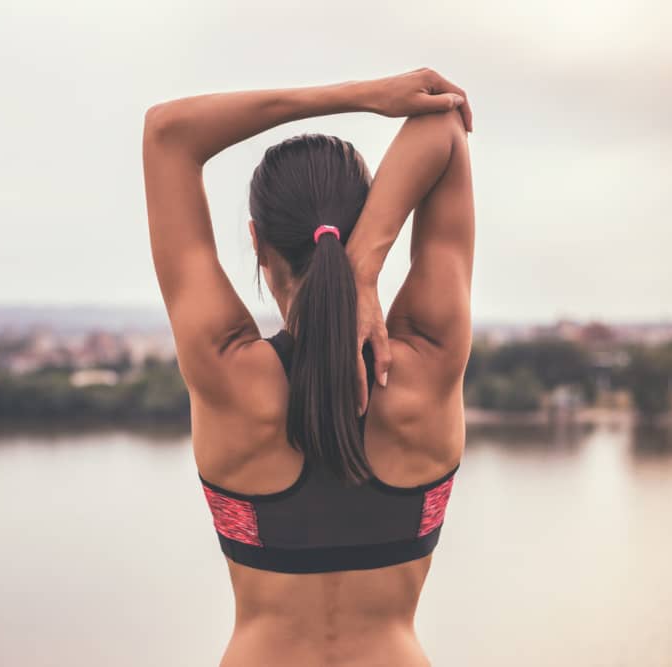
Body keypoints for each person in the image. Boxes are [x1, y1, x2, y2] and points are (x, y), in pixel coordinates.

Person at [142, 68, 474, 666]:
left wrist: (356, 97)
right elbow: (443, 121)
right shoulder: (426, 361)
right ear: (369, 223)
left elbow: (169, 133)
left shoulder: (226, 372)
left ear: (258, 245)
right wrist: (364, 266)